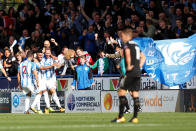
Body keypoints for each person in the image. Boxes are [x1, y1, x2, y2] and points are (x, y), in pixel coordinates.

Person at [111, 28, 146, 123]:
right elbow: (143, 56)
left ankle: (121, 117)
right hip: (137, 72)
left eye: (122, 36)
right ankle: (135, 117)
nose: (121, 38)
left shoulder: (127, 45)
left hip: (130, 72)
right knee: (135, 94)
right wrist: (139, 66)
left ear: (127, 36)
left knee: (121, 92)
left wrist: (129, 66)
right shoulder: (137, 46)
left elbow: (127, 54)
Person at [32, 50, 58, 114]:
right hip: (37, 80)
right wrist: (52, 65)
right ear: (37, 55)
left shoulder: (41, 59)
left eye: (41, 55)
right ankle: (35, 107)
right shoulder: (35, 61)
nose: (41, 56)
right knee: (42, 93)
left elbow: (54, 58)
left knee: (41, 93)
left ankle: (40, 108)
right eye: (39, 55)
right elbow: (42, 68)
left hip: (40, 79)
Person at [42, 47, 65, 112]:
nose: (47, 54)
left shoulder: (53, 59)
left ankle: (49, 108)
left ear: (50, 53)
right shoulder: (42, 59)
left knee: (51, 92)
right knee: (52, 92)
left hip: (52, 78)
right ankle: (58, 107)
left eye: (49, 53)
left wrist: (59, 64)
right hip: (45, 79)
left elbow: (57, 65)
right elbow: (42, 67)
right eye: (46, 53)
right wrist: (52, 65)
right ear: (45, 53)